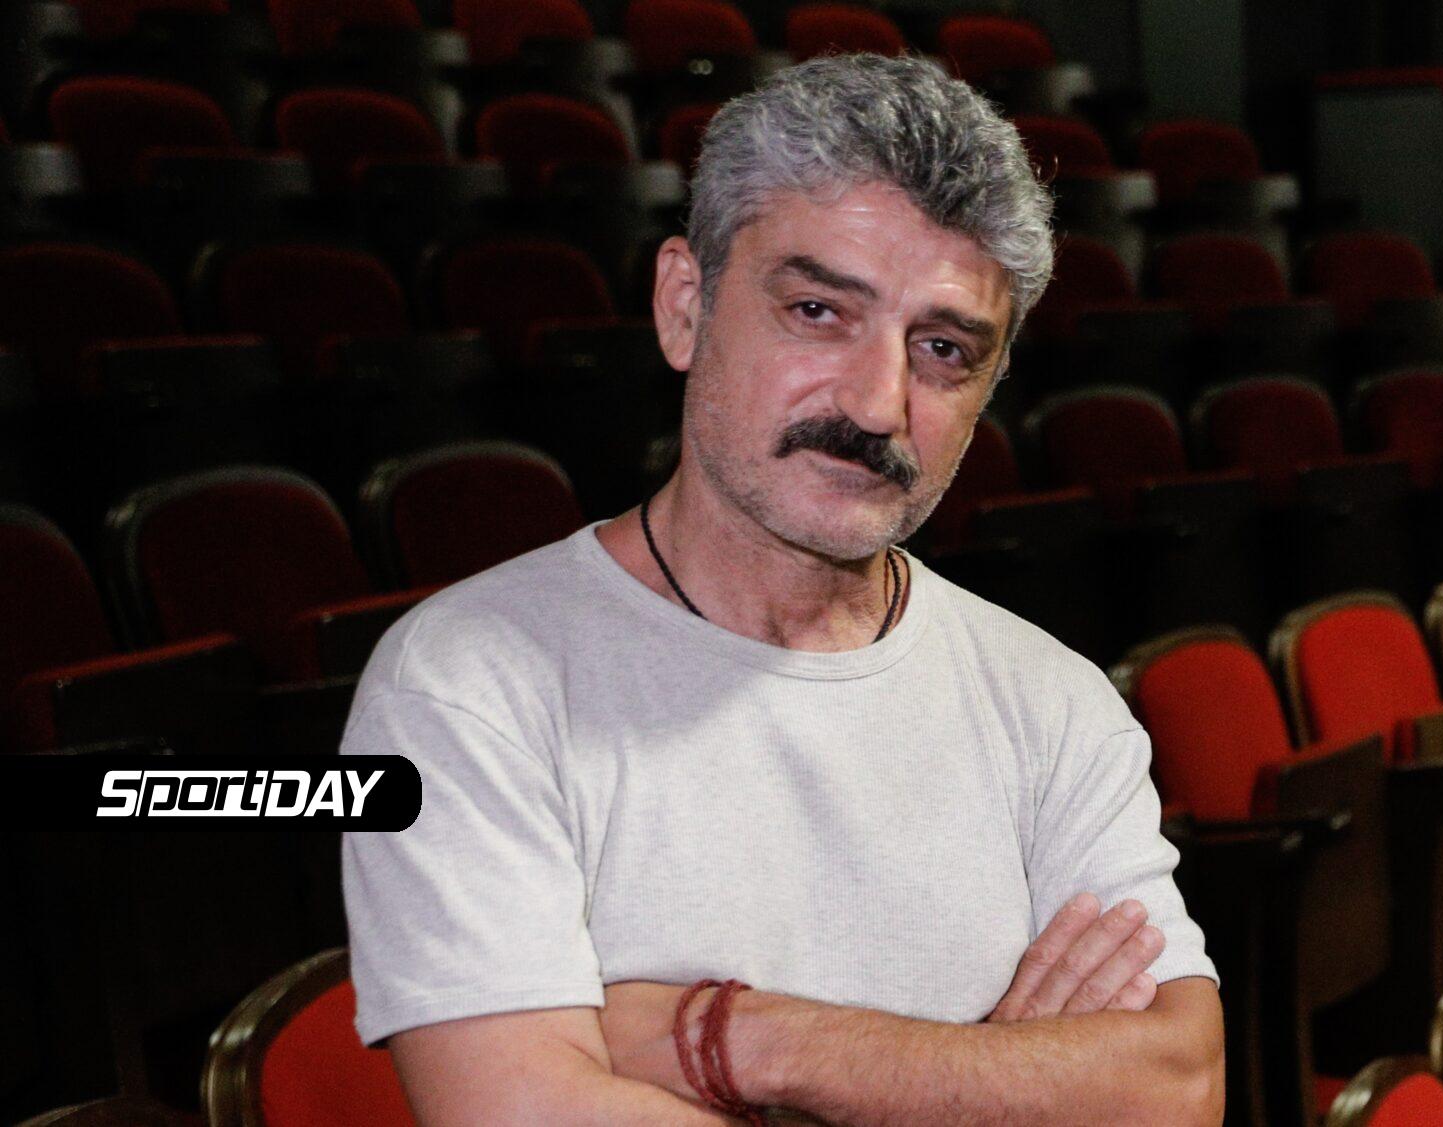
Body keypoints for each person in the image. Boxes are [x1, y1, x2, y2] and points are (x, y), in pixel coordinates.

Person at [341, 52, 1224, 1125]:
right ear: (685, 306)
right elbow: (522, 1114)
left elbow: (1176, 1087)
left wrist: (739, 1038)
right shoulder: (468, 685)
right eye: (817, 310)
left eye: (943, 349)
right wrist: (993, 1078)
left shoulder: (1055, 702)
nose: (878, 403)